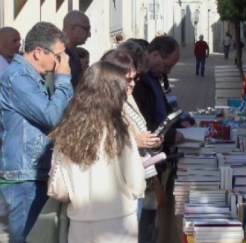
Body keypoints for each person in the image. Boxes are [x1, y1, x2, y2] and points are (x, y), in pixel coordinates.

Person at [49, 61, 146, 243]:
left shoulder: (67, 129)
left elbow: (61, 178)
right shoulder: (119, 131)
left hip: (79, 221)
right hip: (118, 221)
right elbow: (136, 182)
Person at [0, 21, 73, 243]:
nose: (61, 61)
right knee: (27, 238)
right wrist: (63, 79)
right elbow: (51, 116)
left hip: (34, 173)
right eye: (59, 55)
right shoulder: (18, 77)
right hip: (24, 177)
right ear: (39, 52)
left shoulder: (32, 76)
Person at [131, 35, 188, 243]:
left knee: (150, 220)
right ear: (154, 55)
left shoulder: (153, 78)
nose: (167, 71)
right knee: (145, 222)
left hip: (154, 158)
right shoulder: (138, 83)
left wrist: (179, 124)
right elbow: (146, 122)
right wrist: (171, 135)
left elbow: (162, 111)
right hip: (144, 162)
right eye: (167, 65)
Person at [101, 47, 166, 220]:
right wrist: (135, 142)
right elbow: (99, 145)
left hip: (134, 181)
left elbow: (138, 128)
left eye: (135, 78)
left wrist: (151, 140)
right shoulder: (102, 106)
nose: (133, 84)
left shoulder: (125, 98)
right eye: (128, 79)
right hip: (116, 188)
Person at [62, 10, 91, 87]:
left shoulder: (75, 55)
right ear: (72, 29)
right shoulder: (60, 56)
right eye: (86, 29)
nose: (89, 34)